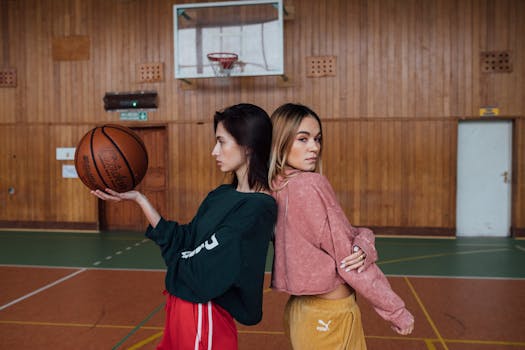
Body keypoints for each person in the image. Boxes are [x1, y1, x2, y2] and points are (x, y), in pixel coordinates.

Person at [92, 103, 277, 350]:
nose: (214, 151)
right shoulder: (221, 194)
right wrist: (139, 199)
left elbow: (205, 267)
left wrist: (176, 264)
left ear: (248, 145)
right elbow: (187, 239)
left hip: (204, 313)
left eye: (221, 142)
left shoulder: (259, 207)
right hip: (180, 304)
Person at [269, 103, 414, 350]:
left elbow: (339, 237)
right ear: (280, 141)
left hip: (302, 311)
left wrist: (363, 239)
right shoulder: (310, 185)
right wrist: (396, 310)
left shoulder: (275, 187)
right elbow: (348, 259)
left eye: (317, 139)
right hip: (328, 317)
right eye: (302, 139)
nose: (314, 147)